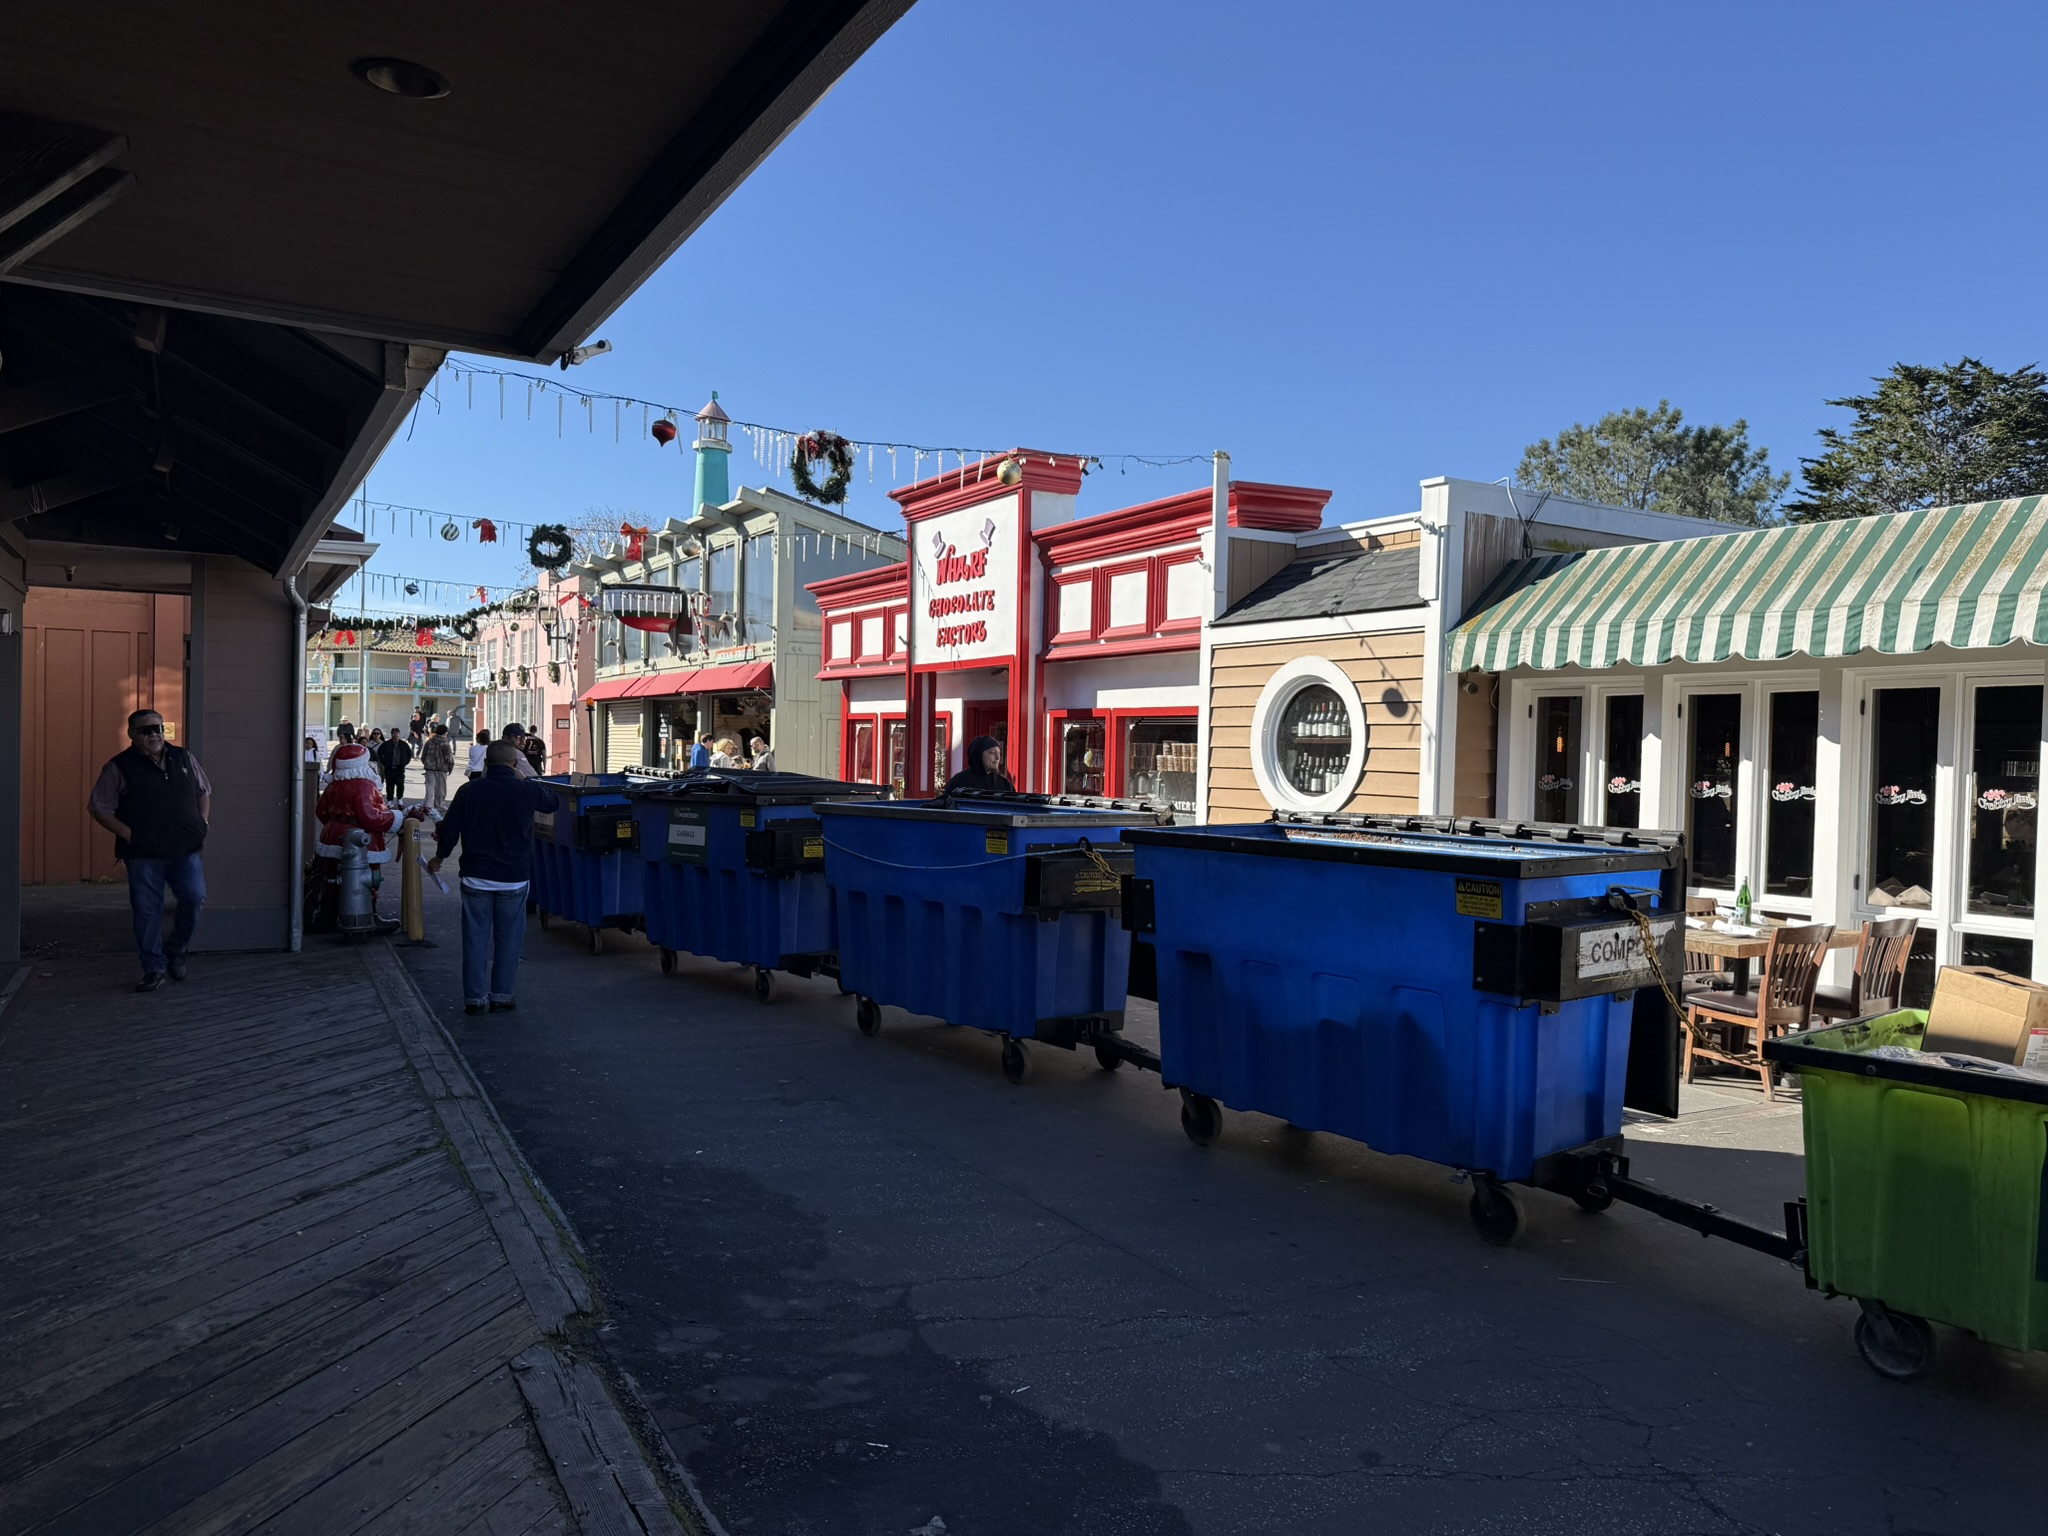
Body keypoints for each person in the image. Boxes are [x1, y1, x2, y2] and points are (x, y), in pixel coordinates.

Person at [430, 741, 560, 1014]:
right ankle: (502, 995)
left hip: (476, 877)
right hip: (513, 878)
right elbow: (553, 802)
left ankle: (474, 998)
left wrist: (439, 858)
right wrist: (524, 777)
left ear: (486, 763)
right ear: (514, 764)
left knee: (475, 939)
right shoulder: (526, 790)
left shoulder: (469, 791)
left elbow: (450, 830)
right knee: (509, 939)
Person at [88, 708, 210, 991]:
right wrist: (130, 835)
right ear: (132, 735)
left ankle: (177, 951)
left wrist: (203, 823)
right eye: (145, 730)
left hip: (185, 849)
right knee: (147, 911)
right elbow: (98, 807)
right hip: (144, 855)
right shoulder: (118, 767)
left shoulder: (183, 757)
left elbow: (204, 790)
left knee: (194, 898)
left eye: (158, 728)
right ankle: (153, 968)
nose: (154, 734)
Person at [315, 742, 400, 922]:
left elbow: (321, 811)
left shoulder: (334, 785)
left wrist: (335, 825)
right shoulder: (364, 785)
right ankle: (369, 916)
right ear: (360, 763)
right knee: (367, 877)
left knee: (331, 877)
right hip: (360, 839)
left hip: (331, 836)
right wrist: (395, 818)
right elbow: (370, 817)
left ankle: (327, 916)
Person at [945, 734, 1015, 795]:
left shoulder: (1005, 785)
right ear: (978, 755)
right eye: (992, 752)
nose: (997, 757)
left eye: (999, 753)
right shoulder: (959, 782)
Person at [419, 723, 456, 812]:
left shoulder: (429, 741)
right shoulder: (445, 743)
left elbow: (423, 755)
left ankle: (428, 805)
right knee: (441, 788)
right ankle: (439, 804)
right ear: (445, 733)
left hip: (429, 767)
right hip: (441, 768)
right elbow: (449, 757)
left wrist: (426, 763)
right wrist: (450, 767)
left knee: (430, 787)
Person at [375, 729, 414, 802]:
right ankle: (390, 800)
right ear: (391, 734)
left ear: (399, 734)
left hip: (400, 768)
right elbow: (379, 754)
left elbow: (409, 754)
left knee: (400, 784)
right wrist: (385, 763)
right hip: (389, 768)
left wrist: (404, 762)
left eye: (397, 733)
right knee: (389, 785)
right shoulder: (386, 744)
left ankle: (399, 798)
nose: (395, 735)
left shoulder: (404, 744)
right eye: (394, 733)